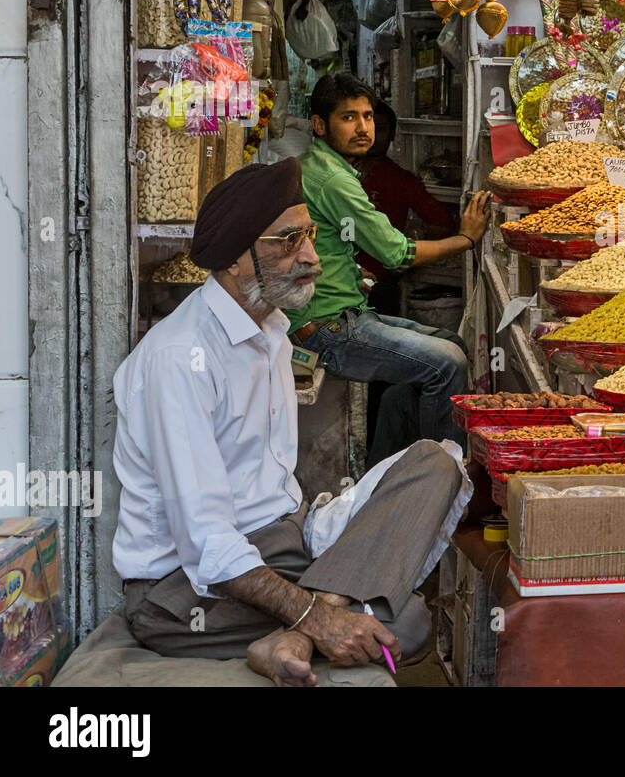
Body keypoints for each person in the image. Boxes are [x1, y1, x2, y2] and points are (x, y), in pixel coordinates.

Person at [111, 161, 468, 686]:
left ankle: (292, 639)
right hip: (187, 588)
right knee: (403, 621)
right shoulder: (180, 359)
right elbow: (208, 545)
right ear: (235, 257)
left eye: (310, 235)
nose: (311, 257)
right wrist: (321, 616)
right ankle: (315, 617)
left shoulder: (272, 330)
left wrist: (310, 618)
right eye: (287, 241)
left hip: (284, 543)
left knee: (436, 463)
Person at [289, 72, 491, 468]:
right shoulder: (333, 179)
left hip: (345, 311)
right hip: (326, 330)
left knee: (453, 344)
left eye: (367, 117)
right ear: (319, 125)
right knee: (447, 363)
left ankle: (384, 469)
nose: (363, 128)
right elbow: (396, 252)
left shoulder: (323, 166)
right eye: (349, 118)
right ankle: (439, 480)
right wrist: (466, 239)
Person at [355, 101, 456, 316]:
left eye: (381, 129)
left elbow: (441, 223)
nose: (373, 135)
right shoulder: (340, 174)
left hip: (381, 280)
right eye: (368, 127)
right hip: (340, 275)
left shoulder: (401, 180)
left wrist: (408, 259)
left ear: (392, 134)